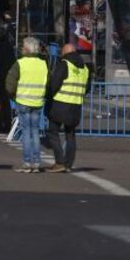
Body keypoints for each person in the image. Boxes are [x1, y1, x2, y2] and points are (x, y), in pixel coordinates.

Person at [44, 43, 89, 173]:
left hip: (60, 104)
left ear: (65, 52)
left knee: (52, 132)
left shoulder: (64, 64)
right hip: (75, 106)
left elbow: (54, 83)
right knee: (70, 135)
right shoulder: (84, 68)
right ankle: (68, 163)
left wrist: (48, 97)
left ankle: (60, 162)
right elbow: (87, 88)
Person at [5, 36, 48, 173]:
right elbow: (49, 82)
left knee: (26, 131)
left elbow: (10, 83)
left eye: (23, 46)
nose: (21, 49)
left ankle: (27, 162)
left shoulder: (20, 63)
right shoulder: (43, 63)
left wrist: (13, 96)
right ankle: (36, 162)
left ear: (28, 49)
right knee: (35, 131)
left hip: (23, 100)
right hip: (38, 101)